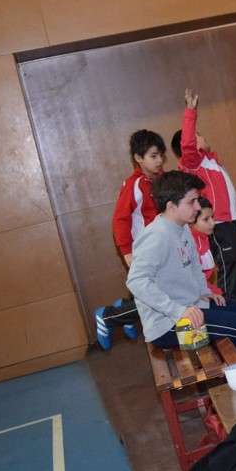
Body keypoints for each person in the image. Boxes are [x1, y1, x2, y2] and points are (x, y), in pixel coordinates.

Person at [126, 171, 236, 374]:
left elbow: (193, 265)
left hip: (192, 307)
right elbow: (136, 281)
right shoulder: (156, 236)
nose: (198, 207)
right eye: (191, 202)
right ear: (172, 206)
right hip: (168, 324)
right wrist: (178, 311)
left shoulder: (182, 227)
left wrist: (203, 291)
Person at [172, 88, 236, 303]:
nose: (201, 136)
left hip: (229, 221)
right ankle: (231, 308)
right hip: (219, 223)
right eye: (197, 134)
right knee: (230, 266)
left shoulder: (210, 160)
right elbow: (187, 144)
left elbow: (222, 188)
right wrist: (190, 111)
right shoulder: (193, 162)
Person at [93, 129, 165, 350]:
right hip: (143, 251)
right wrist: (127, 253)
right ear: (138, 158)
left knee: (158, 295)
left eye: (161, 155)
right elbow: (120, 220)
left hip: (161, 247)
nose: (159, 160)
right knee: (157, 300)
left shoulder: (162, 180)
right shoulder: (135, 184)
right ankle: (108, 316)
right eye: (153, 156)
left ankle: (124, 308)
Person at [191, 196, 222, 297]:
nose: (213, 223)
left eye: (212, 217)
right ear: (191, 221)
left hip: (207, 289)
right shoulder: (192, 244)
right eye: (206, 219)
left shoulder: (204, 237)